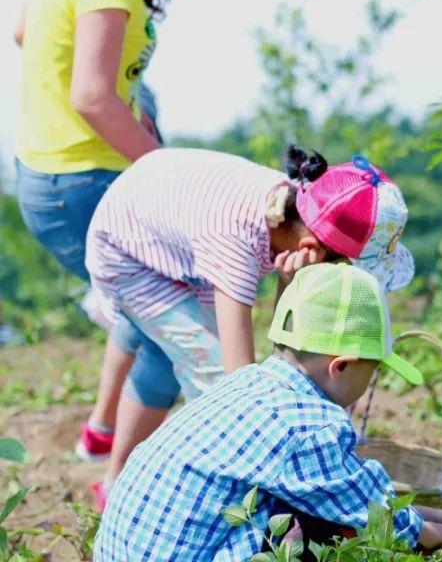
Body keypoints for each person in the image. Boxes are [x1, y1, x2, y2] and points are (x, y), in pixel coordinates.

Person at [12, 0, 214, 465]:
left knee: (146, 297)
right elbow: (94, 97)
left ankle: (103, 431)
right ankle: (121, 486)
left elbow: (25, 32)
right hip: (78, 183)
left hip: (49, 167)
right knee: (173, 325)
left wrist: (133, 98)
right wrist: (163, 169)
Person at [85, 146, 415, 508]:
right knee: (212, 374)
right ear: (310, 248)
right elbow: (241, 384)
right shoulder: (235, 244)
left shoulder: (297, 209)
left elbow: (285, 348)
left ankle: (113, 484)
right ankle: (214, 498)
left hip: (170, 217)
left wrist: (289, 283)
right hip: (129, 251)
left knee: (170, 361)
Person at [94, 263, 442, 560]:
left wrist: (430, 513)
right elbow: (360, 508)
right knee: (314, 525)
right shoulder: (309, 424)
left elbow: (352, 489)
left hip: (121, 551)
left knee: (308, 504)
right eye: (372, 370)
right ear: (341, 366)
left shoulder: (249, 384)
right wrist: (431, 534)